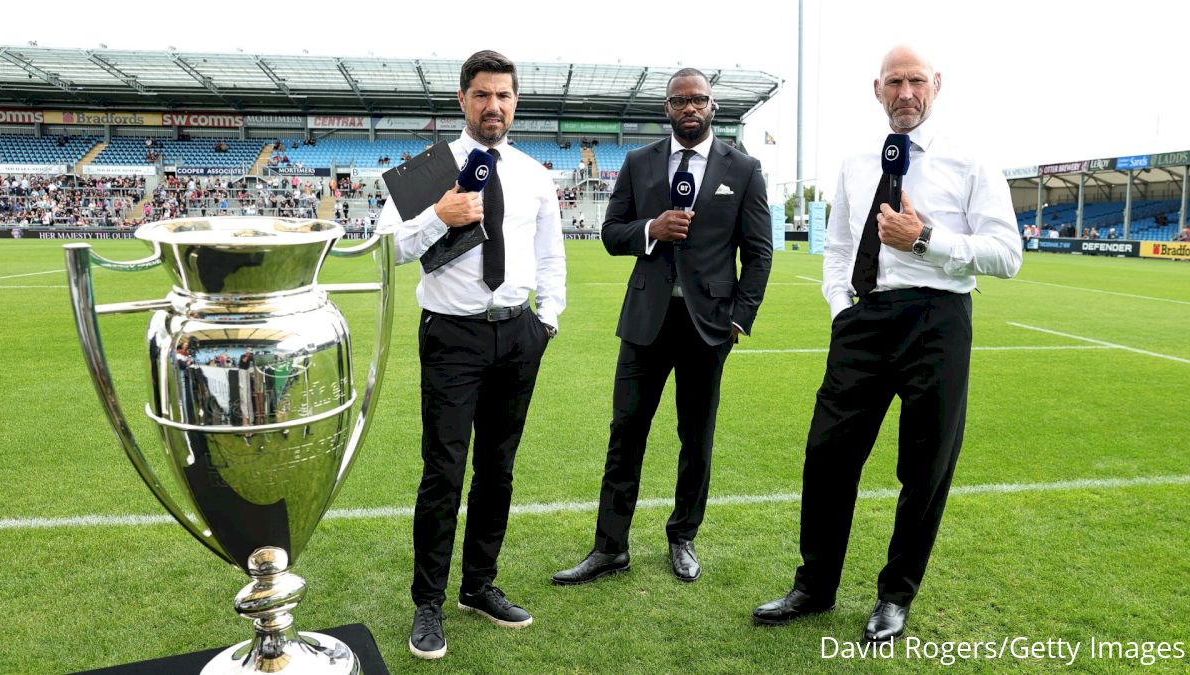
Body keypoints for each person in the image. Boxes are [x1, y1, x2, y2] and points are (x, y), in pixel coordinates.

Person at [751, 45, 1021, 642]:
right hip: (864, 320)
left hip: (939, 319)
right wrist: (841, 308)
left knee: (924, 468)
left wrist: (927, 239)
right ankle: (814, 586)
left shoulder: (971, 159)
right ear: (877, 89)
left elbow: (1008, 254)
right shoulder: (854, 161)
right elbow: (841, 247)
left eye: (916, 81)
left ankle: (894, 597)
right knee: (827, 456)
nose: (905, 92)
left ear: (937, 85)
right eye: (894, 82)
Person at [374, 50, 565, 660]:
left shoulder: (535, 174)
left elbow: (551, 256)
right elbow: (384, 248)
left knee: (498, 470)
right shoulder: (430, 169)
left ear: (515, 102)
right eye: (482, 95)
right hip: (451, 336)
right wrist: (437, 215)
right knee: (444, 473)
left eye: (504, 96)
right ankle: (428, 603)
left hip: (517, 335)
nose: (494, 106)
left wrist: (547, 321)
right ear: (463, 100)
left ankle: (478, 586)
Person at [552, 68, 772, 586]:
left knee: (696, 439)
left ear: (712, 107)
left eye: (698, 100)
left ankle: (683, 536)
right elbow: (610, 233)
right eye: (679, 101)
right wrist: (651, 229)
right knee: (625, 434)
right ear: (667, 109)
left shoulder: (744, 169)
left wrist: (739, 317)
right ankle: (610, 548)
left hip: (708, 326)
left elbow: (758, 253)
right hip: (645, 320)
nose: (689, 108)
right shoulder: (638, 162)